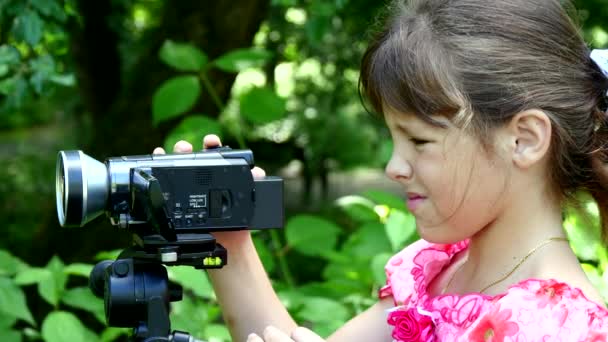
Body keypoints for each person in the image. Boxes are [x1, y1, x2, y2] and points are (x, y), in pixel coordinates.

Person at [154, 0, 608, 340]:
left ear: (524, 139)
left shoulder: (556, 326)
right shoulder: (438, 271)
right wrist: (226, 242)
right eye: (394, 137)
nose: (393, 167)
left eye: (420, 141)